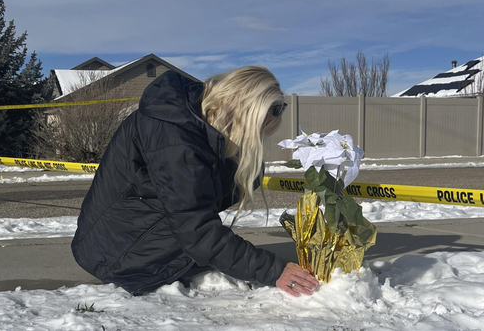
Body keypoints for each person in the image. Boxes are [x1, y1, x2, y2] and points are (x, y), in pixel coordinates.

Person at [71, 66, 319, 296]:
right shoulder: (176, 139)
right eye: (252, 131)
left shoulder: (191, 121)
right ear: (238, 113)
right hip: (117, 257)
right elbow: (196, 227)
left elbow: (195, 206)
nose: (250, 141)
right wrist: (272, 270)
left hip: (123, 240)